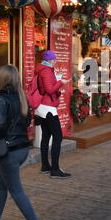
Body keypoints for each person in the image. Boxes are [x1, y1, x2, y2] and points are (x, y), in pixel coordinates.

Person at [0, 65, 42, 220]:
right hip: (21, 148)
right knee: (1, 184)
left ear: (3, 79)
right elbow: (27, 121)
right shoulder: (21, 96)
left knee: (16, 191)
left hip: (9, 151)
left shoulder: (1, 99)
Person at [35, 51, 71, 179]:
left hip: (42, 107)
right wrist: (61, 82)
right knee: (58, 136)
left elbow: (47, 88)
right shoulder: (46, 71)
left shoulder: (43, 69)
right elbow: (49, 89)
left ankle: (45, 166)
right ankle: (55, 170)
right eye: (54, 59)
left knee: (46, 135)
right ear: (49, 60)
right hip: (48, 107)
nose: (55, 61)